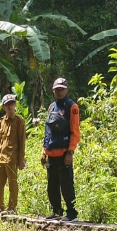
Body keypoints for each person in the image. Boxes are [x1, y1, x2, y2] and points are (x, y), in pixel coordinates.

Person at [41, 77, 80, 221]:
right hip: (51, 152)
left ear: (66, 90)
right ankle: (57, 211)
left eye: (61, 89)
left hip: (64, 153)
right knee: (52, 185)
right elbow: (47, 131)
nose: (59, 92)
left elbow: (75, 132)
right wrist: (43, 151)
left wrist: (70, 152)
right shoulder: (51, 107)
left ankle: (72, 213)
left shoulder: (72, 107)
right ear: (53, 91)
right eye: (57, 89)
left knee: (67, 184)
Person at [0, 94, 26, 214]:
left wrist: (21, 159)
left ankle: (12, 208)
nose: (10, 107)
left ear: (15, 105)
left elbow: (22, 141)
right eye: (7, 105)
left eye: (12, 104)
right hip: (2, 157)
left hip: (12, 158)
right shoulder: (1, 121)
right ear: (3, 107)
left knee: (12, 183)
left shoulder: (19, 121)